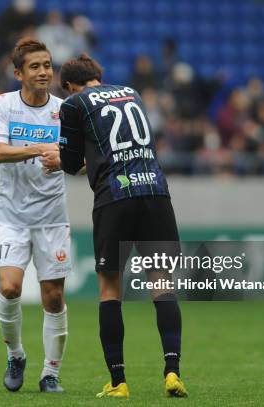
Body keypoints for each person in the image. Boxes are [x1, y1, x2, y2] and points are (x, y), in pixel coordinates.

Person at [42, 54, 188, 398]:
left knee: (110, 289)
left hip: (115, 196)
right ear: (99, 76)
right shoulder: (132, 93)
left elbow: (71, 161)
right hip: (155, 192)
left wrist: (55, 158)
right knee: (162, 285)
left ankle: (119, 382)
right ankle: (172, 372)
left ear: (68, 85)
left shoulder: (73, 103)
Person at [0, 38, 70, 393]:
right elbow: (0, 153)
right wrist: (40, 148)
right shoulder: (0, 105)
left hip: (52, 218)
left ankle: (50, 373)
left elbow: (80, 161)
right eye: (35, 67)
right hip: (11, 217)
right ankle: (16, 354)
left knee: (53, 297)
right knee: (9, 288)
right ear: (18, 73)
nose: (43, 72)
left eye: (47, 65)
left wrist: (64, 158)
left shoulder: (66, 111)